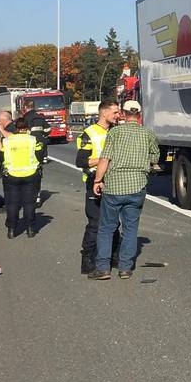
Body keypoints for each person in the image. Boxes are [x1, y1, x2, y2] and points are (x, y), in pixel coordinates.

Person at [89, 111, 159, 280]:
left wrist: (98, 180)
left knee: (106, 228)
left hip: (114, 187)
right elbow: (155, 157)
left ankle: (103, 268)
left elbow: (105, 159)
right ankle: (125, 268)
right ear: (140, 115)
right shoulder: (147, 133)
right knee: (130, 229)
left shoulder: (114, 132)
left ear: (124, 115)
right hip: (137, 186)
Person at [75, 100, 119, 274]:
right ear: (104, 113)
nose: (118, 115)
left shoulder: (116, 131)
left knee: (115, 223)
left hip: (114, 182)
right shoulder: (89, 133)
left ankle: (114, 257)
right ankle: (88, 259)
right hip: (95, 182)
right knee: (95, 223)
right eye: (115, 112)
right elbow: (80, 161)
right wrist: (104, 159)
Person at [0, 117, 44, 238]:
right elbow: (40, 150)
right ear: (27, 128)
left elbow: (1, 151)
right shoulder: (32, 140)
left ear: (16, 128)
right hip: (30, 174)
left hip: (12, 174)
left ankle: (11, 229)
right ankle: (30, 229)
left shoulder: (8, 140)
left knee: (12, 203)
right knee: (29, 203)